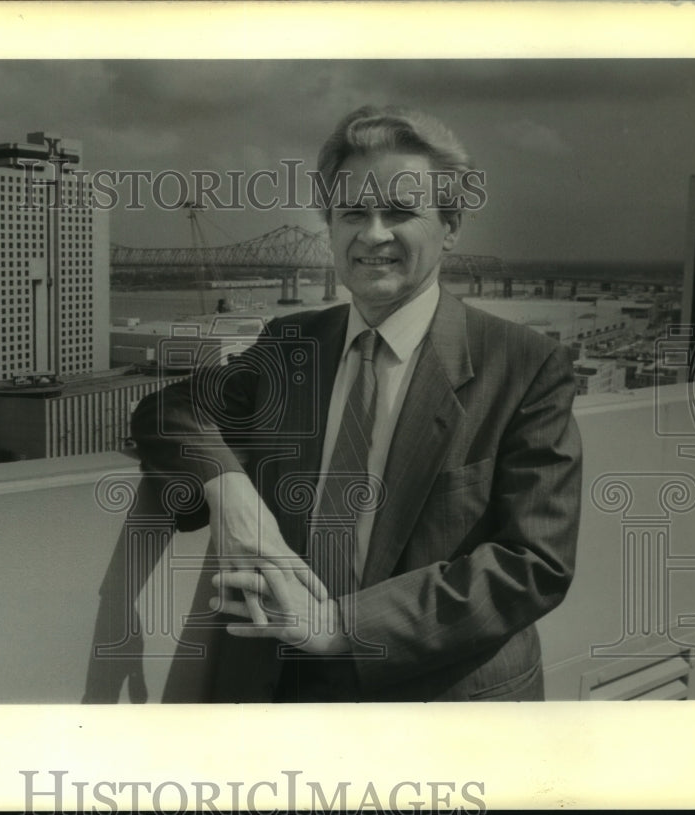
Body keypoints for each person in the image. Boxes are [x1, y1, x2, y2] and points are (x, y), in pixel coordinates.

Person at [129, 105, 582, 702]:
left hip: (438, 703)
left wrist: (341, 627)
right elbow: (167, 412)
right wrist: (230, 491)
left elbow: (533, 563)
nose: (372, 235)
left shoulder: (525, 365)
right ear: (331, 227)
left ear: (451, 226)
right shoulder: (293, 343)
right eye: (352, 213)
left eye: (399, 211)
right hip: (281, 688)